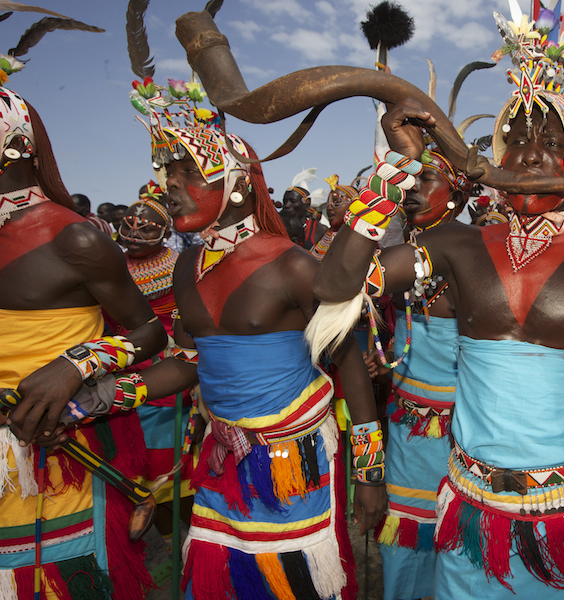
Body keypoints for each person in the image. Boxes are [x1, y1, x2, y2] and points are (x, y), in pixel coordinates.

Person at [312, 7, 564, 597]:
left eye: (551, 142)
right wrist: (395, 170)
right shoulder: (457, 245)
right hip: (470, 519)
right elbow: (334, 289)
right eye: (518, 140)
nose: (531, 154)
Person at [127, 81, 387, 599]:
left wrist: (372, 473)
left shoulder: (291, 264)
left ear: (237, 184)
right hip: (220, 459)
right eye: (166, 175)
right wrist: (104, 394)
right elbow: (190, 362)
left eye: (186, 173)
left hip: (295, 463)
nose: (167, 187)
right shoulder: (187, 266)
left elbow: (350, 366)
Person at [0, 85, 165, 598]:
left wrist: (78, 363)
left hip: (63, 457)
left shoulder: (75, 238)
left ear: (16, 146)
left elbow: (151, 331)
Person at [374, 142, 471, 600]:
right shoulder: (404, 250)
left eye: (425, 179)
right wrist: (392, 349)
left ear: (460, 193)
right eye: (409, 180)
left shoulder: (474, 258)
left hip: (461, 433)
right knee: (405, 537)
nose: (411, 189)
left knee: (457, 540)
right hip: (406, 427)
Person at [112, 196, 197, 550]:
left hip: (168, 382)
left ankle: (193, 547)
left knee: (174, 478)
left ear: (164, 232)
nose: (135, 232)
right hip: (121, 378)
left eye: (145, 226)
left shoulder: (180, 267)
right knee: (138, 475)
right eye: (129, 224)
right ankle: (173, 546)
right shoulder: (110, 267)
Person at [282, 168, 327, 251]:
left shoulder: (319, 230)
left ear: (306, 205)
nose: (286, 205)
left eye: (293, 201)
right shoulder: (276, 228)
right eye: (284, 201)